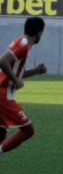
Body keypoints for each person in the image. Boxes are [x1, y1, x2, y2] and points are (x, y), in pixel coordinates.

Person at [0, 17, 46, 159]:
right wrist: (16, 80)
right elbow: (3, 61)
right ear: (39, 32)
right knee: (28, 131)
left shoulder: (23, 43)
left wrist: (35, 71)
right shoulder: (24, 44)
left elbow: (16, 72)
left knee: (1, 133)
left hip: (3, 92)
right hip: (3, 95)